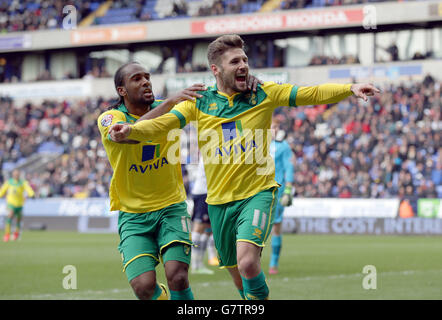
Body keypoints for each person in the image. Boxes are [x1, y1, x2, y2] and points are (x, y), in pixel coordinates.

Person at [108, 34, 380, 300]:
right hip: (219, 202)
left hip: (257, 192)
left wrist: (349, 88)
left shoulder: (263, 93)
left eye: (244, 60)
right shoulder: (199, 102)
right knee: (239, 276)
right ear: (216, 69)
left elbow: (309, 93)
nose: (243, 66)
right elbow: (162, 124)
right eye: (234, 61)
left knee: (248, 263)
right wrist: (132, 130)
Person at [97, 61, 206, 300]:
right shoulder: (109, 117)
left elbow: (212, 100)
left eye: (147, 76)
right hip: (133, 215)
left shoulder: (172, 108)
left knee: (177, 275)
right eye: (137, 78)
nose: (146, 81)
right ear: (121, 90)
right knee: (143, 287)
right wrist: (169, 102)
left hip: (171, 207)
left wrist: (246, 84)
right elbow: (125, 134)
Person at [268, 121, 294, 275]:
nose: (275, 130)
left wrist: (289, 190)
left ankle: (273, 263)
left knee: (276, 226)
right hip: (258, 189)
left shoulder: (283, 146)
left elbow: (289, 167)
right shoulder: (257, 144)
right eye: (272, 126)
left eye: (277, 127)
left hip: (277, 189)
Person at [187, 154, 218, 275]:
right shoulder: (210, 152)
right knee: (199, 227)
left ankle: (199, 263)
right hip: (203, 192)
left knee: (207, 229)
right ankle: (195, 265)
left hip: (206, 192)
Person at [0, 169, 35, 242]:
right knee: (10, 216)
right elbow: (3, 190)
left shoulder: (22, 182)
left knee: (18, 219)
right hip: (11, 203)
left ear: (19, 175)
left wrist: (32, 194)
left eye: (17, 174)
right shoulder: (9, 182)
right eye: (15, 174)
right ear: (13, 175)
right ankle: (7, 235)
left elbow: (28, 188)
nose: (16, 175)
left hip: (19, 204)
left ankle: (16, 233)